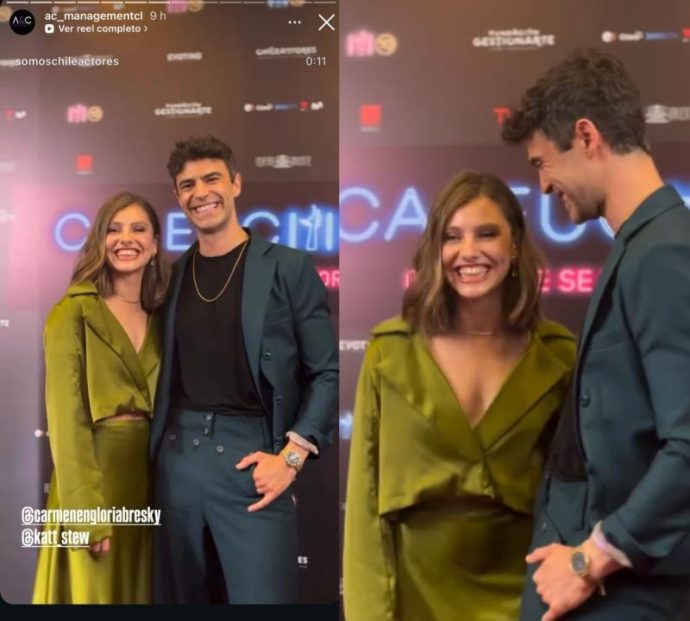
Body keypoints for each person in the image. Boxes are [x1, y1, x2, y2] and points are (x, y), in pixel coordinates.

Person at [502, 48, 690, 621]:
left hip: (632, 593)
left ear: (586, 136)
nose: (542, 185)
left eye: (542, 162)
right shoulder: (642, 246)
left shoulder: (664, 253)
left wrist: (591, 558)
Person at [343, 171, 577, 620]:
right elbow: (364, 505)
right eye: (452, 237)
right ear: (436, 248)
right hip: (414, 596)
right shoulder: (390, 351)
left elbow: (574, 497)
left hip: (526, 597)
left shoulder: (558, 355)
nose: (468, 251)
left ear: (514, 245)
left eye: (486, 234)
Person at [150, 135, 338, 604]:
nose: (201, 193)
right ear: (178, 197)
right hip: (176, 467)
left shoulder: (288, 267)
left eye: (211, 179)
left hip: (253, 463)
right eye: (188, 185)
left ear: (236, 183)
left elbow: (326, 373)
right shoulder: (171, 277)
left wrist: (290, 459)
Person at [32, 192, 169, 604]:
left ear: (155, 245)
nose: (126, 239)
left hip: (151, 484)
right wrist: (85, 514)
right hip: (96, 483)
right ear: (99, 240)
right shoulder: (71, 312)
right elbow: (66, 423)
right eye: (114, 229)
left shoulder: (164, 317)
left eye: (138, 229)